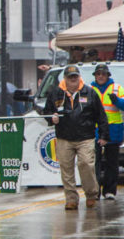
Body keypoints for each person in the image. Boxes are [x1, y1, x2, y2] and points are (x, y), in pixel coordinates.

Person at [43, 64, 109, 210]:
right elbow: (47, 111)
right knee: (66, 169)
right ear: (65, 78)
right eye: (70, 77)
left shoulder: (90, 92)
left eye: (75, 76)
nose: (73, 79)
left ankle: (91, 194)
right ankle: (71, 199)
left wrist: (104, 135)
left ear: (79, 77)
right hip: (64, 137)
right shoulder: (56, 93)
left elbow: (101, 115)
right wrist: (50, 118)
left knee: (86, 164)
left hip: (85, 137)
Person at [90, 63, 124, 199]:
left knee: (112, 163)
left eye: (103, 74)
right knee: (94, 163)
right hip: (95, 131)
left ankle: (110, 191)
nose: (100, 76)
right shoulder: (90, 89)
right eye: (98, 74)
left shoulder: (117, 88)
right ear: (95, 76)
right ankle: (95, 191)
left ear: (107, 75)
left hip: (113, 131)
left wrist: (117, 101)